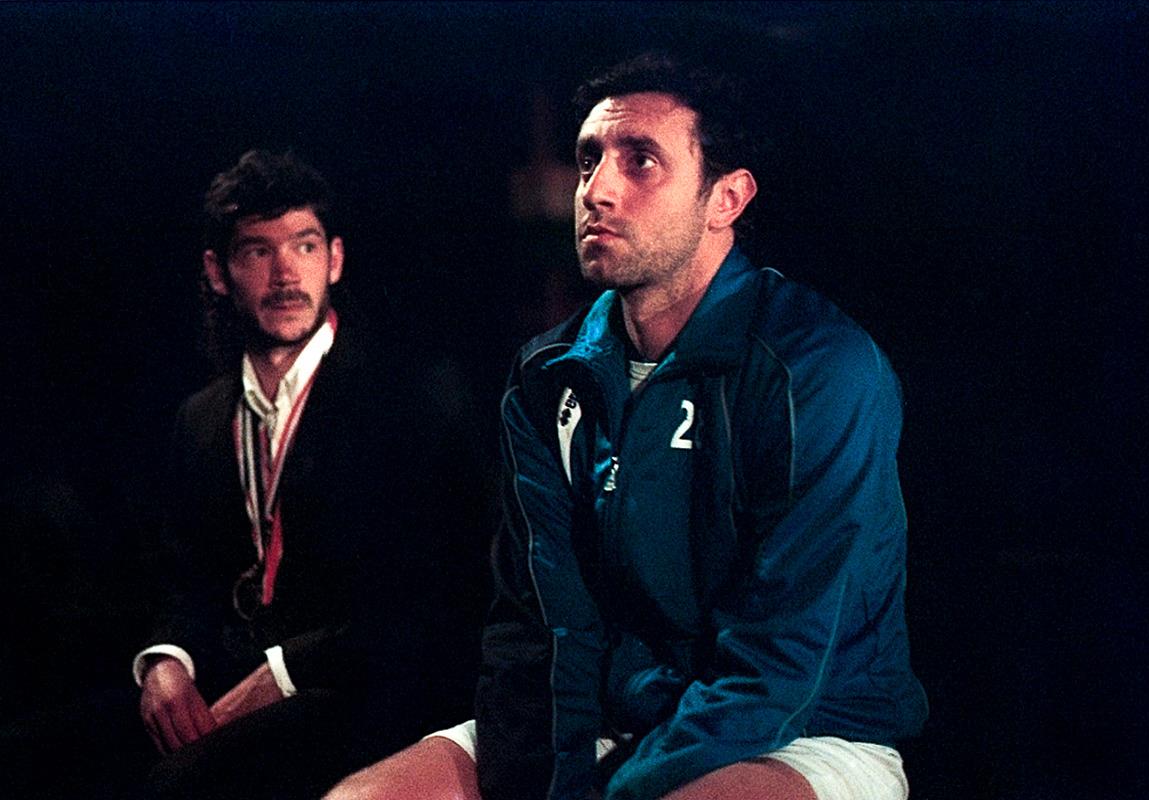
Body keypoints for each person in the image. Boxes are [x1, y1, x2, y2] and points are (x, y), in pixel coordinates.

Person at [326, 52, 927, 800]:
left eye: (640, 160)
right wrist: (553, 777)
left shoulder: (819, 367)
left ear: (725, 198)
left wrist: (620, 790)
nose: (596, 190)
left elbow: (782, 661)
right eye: (589, 160)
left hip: (798, 730)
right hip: (605, 721)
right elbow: (540, 628)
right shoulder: (547, 375)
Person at [135, 150, 485, 799]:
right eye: (257, 251)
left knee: (176, 785)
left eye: (304, 245)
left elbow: (423, 604)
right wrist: (166, 662)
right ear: (217, 272)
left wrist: (279, 673)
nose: (285, 273)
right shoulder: (200, 419)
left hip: (359, 691)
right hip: (230, 677)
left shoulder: (408, 399)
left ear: (335, 259)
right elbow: (184, 581)